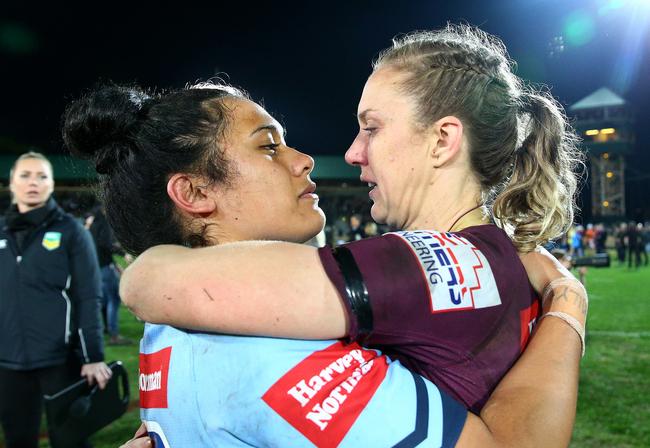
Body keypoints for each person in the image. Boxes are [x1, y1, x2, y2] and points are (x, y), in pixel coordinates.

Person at [63, 76, 585, 448]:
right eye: (268, 147)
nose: (303, 159)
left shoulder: (190, 316)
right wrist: (567, 305)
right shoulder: (266, 348)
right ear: (196, 192)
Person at [119, 25, 582, 414]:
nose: (353, 153)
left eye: (373, 128)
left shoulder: (420, 267)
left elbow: (155, 284)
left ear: (442, 140)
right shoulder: (488, 254)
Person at [0, 152, 111, 448]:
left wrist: (93, 357)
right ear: (11, 183)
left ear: (50, 185)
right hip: (8, 363)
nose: (33, 182)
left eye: (41, 176)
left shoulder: (71, 231)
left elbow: (87, 295)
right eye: (25, 175)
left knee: (75, 445)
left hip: (59, 359)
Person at [86, 205, 132, 345]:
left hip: (96, 267)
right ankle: (114, 335)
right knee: (113, 299)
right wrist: (123, 253)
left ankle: (106, 329)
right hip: (104, 267)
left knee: (104, 300)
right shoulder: (104, 223)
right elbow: (106, 244)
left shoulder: (93, 224)